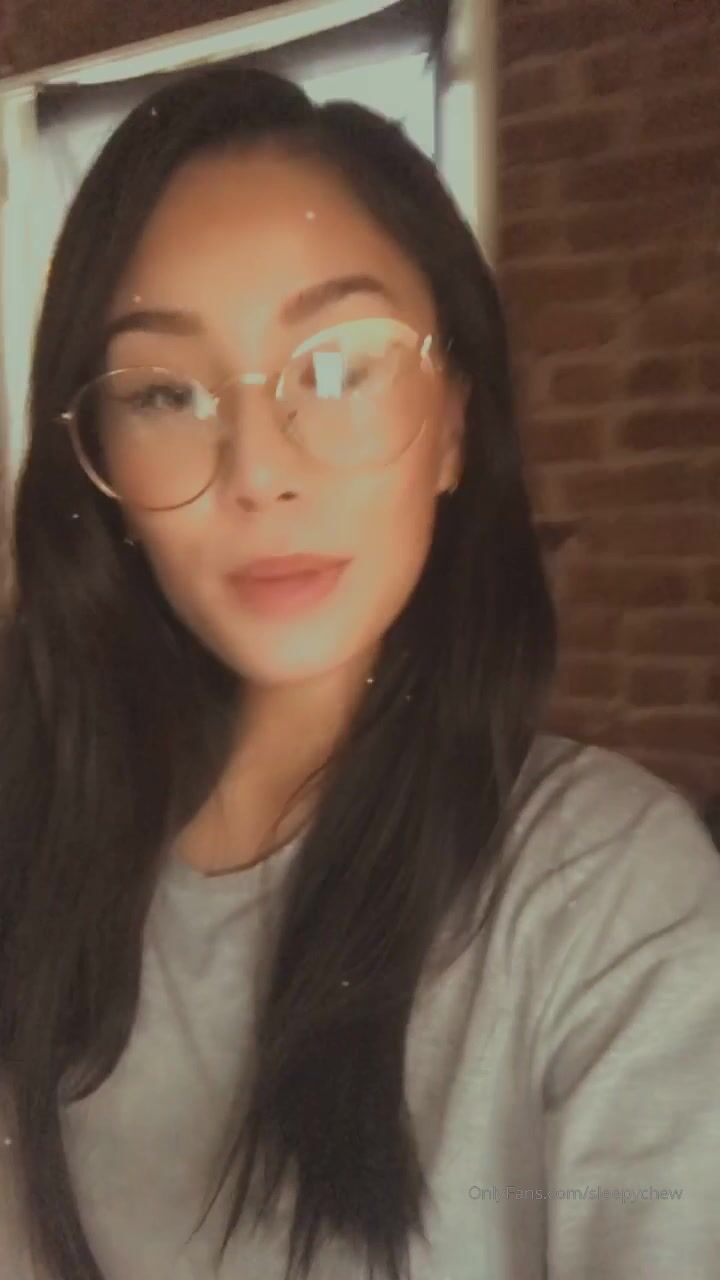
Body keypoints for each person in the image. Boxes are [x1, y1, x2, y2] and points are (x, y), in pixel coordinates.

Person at [0, 65, 718, 1280]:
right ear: (99, 466)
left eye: (339, 366)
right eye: (166, 391)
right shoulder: (33, 833)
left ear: (453, 425)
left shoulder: (603, 903)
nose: (259, 470)